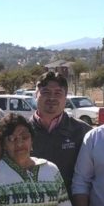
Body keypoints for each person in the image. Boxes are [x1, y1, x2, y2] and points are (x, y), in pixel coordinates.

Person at [29, 71, 91, 199]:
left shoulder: (83, 132)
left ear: (65, 97)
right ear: (36, 95)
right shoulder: (21, 132)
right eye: (45, 92)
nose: (52, 98)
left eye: (58, 93)